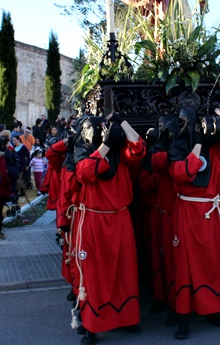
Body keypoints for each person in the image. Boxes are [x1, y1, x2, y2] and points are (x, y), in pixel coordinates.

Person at [168, 108, 220, 339]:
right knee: (186, 265)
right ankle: (184, 318)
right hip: (188, 211)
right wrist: (197, 143)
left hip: (211, 209)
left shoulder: (215, 149)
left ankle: (213, 308)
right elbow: (184, 173)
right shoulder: (177, 148)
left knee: (214, 260)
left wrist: (217, 113)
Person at [71, 114, 145, 344]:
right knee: (95, 275)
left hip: (120, 218)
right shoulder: (84, 152)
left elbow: (139, 149)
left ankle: (127, 318)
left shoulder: (118, 154)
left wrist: (123, 123)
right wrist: (105, 146)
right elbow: (84, 172)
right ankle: (92, 325)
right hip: (94, 221)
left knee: (125, 271)